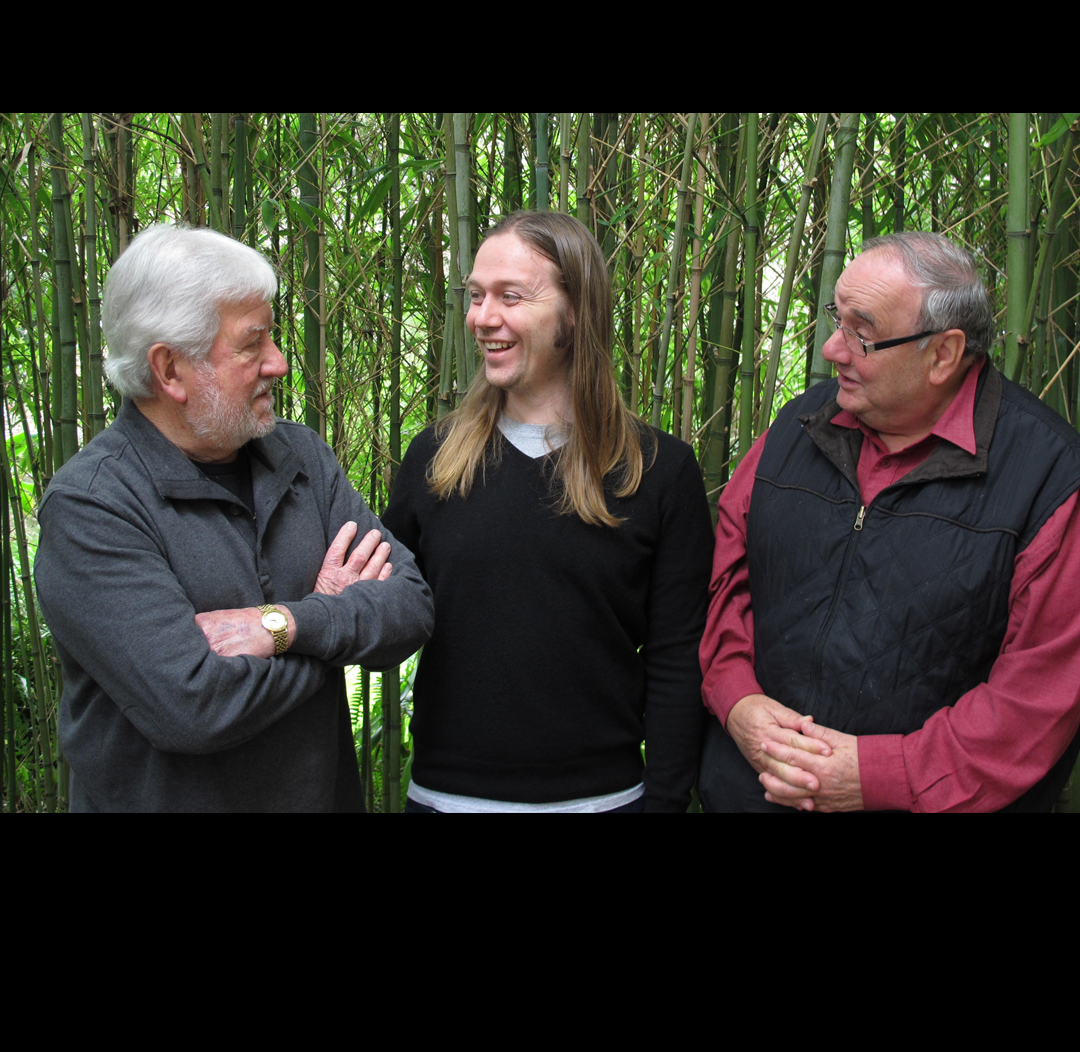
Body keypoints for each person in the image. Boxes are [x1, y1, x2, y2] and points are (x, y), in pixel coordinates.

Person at [34, 224, 433, 812]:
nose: (279, 363)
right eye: (252, 345)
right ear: (170, 370)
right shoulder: (92, 507)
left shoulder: (301, 458)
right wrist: (333, 633)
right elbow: (193, 707)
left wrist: (285, 625)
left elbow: (410, 608)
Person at [699, 231, 1080, 813]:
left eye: (863, 333)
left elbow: (1036, 703)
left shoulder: (1049, 478)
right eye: (837, 319)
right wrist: (737, 701)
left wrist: (878, 775)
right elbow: (727, 579)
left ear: (944, 354)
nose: (832, 349)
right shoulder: (795, 427)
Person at [382, 210, 713, 812]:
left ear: (576, 312)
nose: (484, 318)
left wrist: (663, 800)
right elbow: (381, 615)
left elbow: (677, 657)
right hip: (445, 797)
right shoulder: (434, 458)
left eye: (511, 296)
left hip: (604, 798)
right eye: (476, 296)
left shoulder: (660, 471)